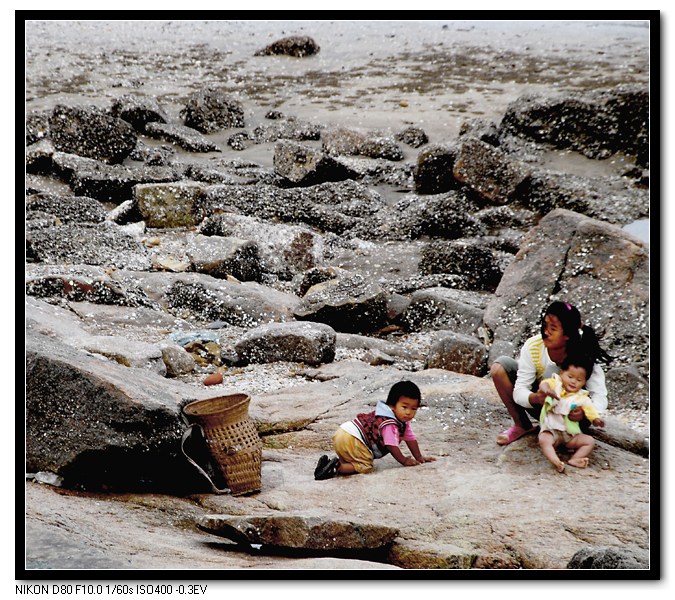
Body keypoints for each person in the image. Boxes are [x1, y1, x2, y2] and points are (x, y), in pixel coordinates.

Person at [490, 301, 611, 446]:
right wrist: (535, 398)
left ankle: (565, 434)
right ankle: (522, 425)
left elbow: (600, 396)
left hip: (572, 417)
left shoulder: (582, 353)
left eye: (553, 328)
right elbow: (520, 390)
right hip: (542, 406)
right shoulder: (533, 346)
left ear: (567, 334)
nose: (546, 332)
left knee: (552, 374)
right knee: (499, 367)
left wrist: (585, 413)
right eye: (544, 325)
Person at [314, 380, 436, 480]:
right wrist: (404, 460)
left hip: (343, 432)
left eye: (414, 408)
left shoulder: (399, 420)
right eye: (404, 407)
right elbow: (391, 445)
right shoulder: (389, 423)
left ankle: (328, 464)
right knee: (365, 466)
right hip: (354, 439)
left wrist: (419, 457)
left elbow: (411, 439)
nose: (409, 412)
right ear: (392, 405)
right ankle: (336, 467)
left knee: (355, 458)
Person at [537, 353, 605, 472]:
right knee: (543, 440)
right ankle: (555, 460)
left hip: (570, 435)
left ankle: (575, 459)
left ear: (584, 382)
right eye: (570, 377)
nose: (573, 382)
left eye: (579, 380)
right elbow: (545, 383)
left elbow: (590, 411)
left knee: (589, 441)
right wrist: (547, 390)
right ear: (561, 373)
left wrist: (596, 420)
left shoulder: (582, 397)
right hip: (551, 431)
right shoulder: (556, 384)